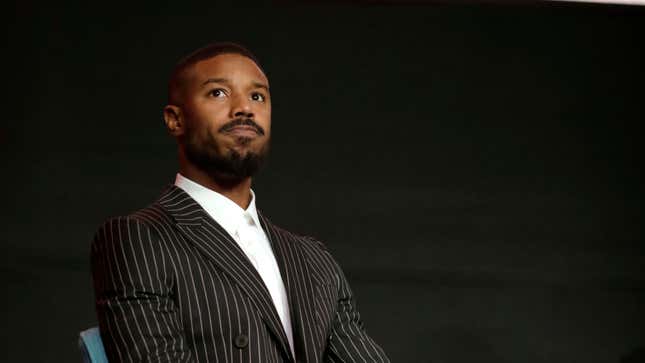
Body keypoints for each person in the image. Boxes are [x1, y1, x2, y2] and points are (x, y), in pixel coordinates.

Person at [90, 42, 390, 363]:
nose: (244, 108)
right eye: (218, 93)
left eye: (257, 96)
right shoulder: (138, 238)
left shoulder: (314, 259)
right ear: (175, 120)